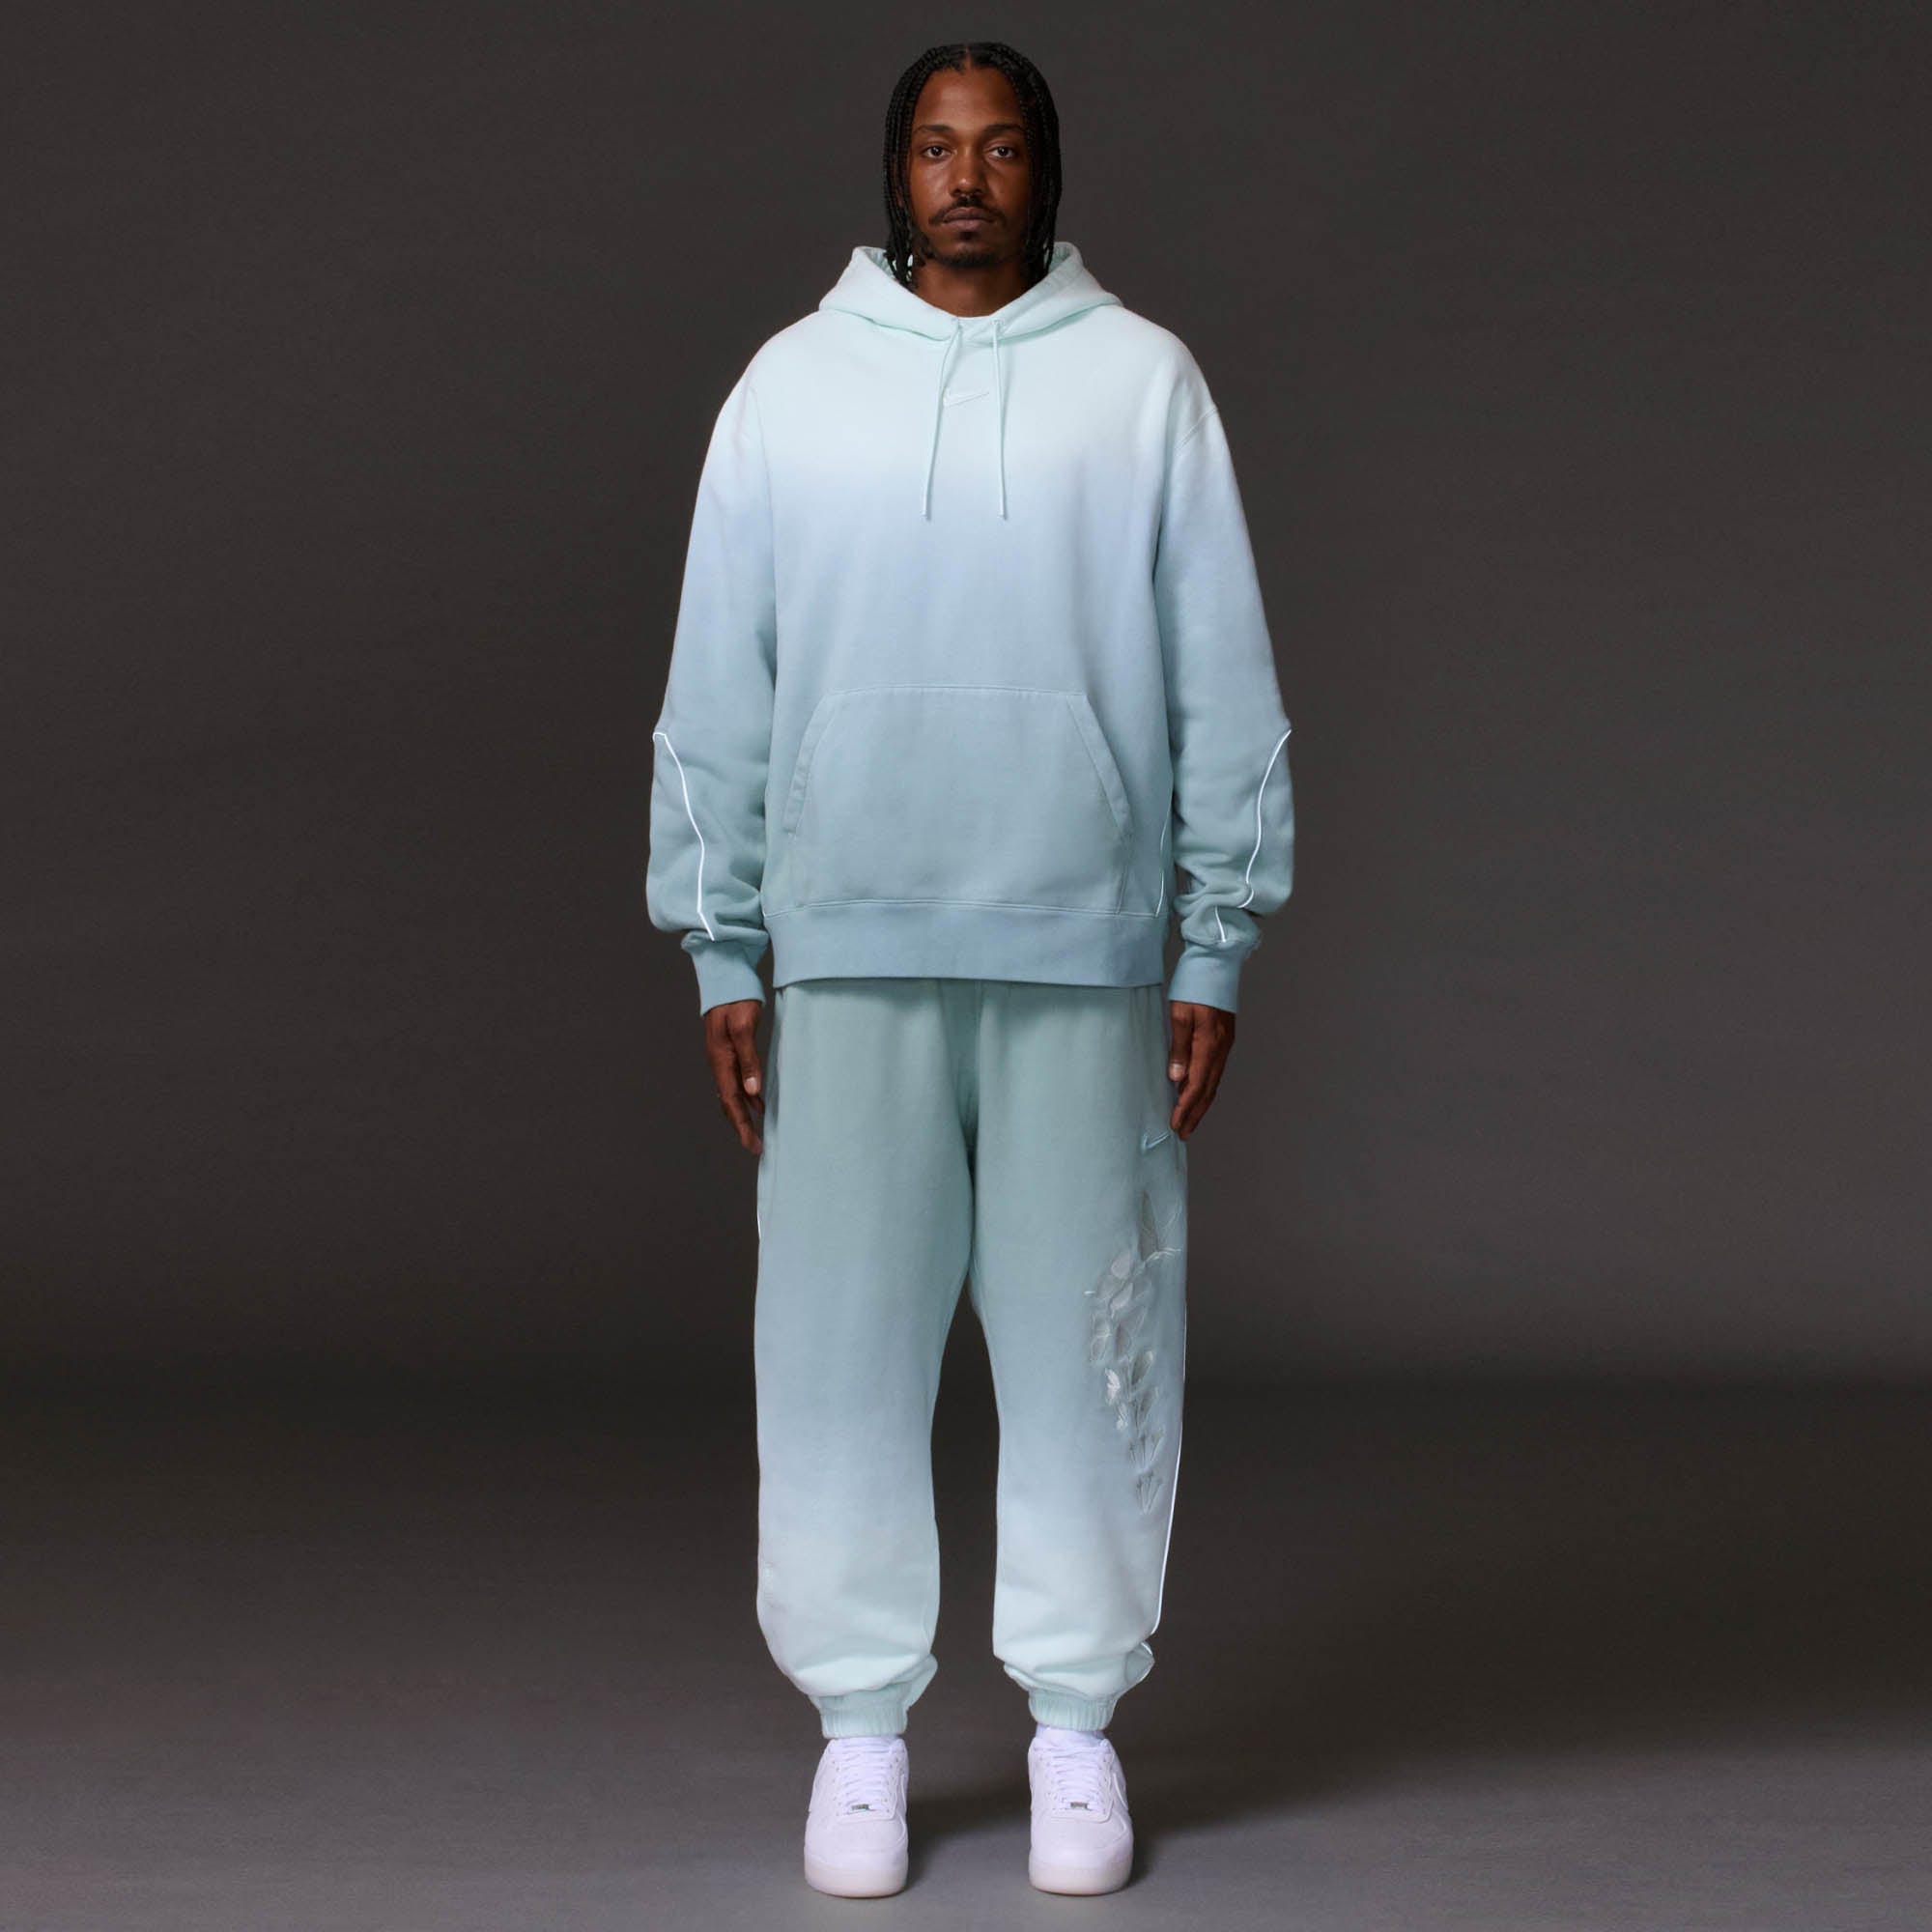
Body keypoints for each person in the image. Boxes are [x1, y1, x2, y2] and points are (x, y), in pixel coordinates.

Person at [645, 40, 1294, 1898]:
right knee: (834, 1350)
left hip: (1081, 947)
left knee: (1095, 1341)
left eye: (1002, 148)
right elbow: (717, 682)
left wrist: (1216, 935)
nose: (967, 178)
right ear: (896, 172)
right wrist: (723, 941)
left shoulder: (1143, 384)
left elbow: (1221, 671)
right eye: (938, 147)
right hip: (848, 943)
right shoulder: (791, 388)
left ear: (1045, 171)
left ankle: (1075, 1726)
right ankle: (859, 1731)